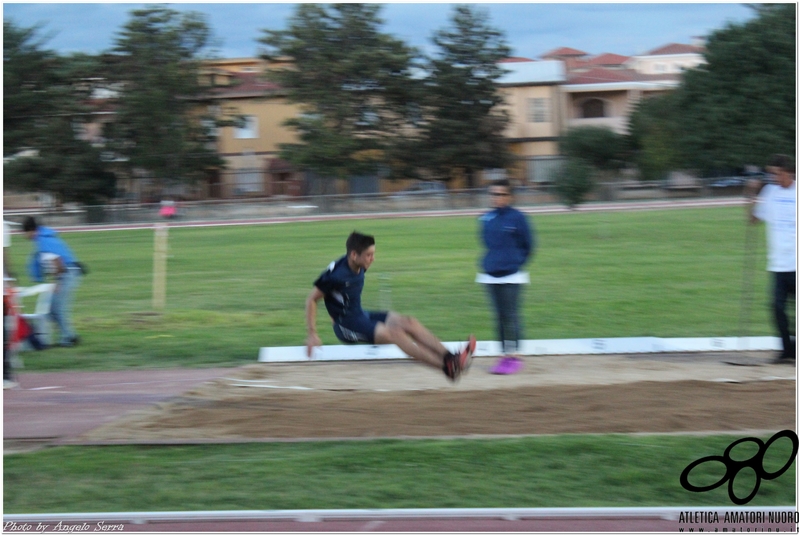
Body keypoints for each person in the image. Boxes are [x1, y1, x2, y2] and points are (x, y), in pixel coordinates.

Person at [305, 231, 476, 382]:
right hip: (345, 326)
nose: (373, 259)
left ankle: (451, 357)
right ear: (354, 255)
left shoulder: (359, 264)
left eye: (373, 254)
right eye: (369, 255)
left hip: (360, 315)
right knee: (395, 334)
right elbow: (311, 299)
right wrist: (312, 333)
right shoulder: (336, 275)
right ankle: (447, 368)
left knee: (408, 322)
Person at [477, 179, 535, 375]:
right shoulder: (486, 218)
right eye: (494, 194)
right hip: (491, 274)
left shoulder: (518, 218)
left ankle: (516, 356)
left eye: (501, 194)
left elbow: (529, 245)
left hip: (512, 274)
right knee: (499, 317)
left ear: (509, 196)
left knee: (511, 315)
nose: (497, 198)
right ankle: (503, 355)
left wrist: (515, 262)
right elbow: (487, 243)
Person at [747, 154, 796, 364]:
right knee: (776, 307)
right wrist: (751, 194)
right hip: (778, 264)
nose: (773, 177)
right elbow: (754, 220)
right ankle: (787, 350)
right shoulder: (769, 192)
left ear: (789, 172)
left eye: (776, 173)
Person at [22, 216, 83, 347]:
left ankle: (69, 337)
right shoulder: (45, 238)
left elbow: (57, 262)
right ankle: (66, 335)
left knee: (56, 308)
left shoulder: (43, 242)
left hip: (66, 274)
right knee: (51, 309)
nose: (23, 235)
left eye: (24, 232)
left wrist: (57, 283)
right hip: (68, 273)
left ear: (30, 231)